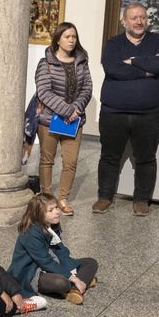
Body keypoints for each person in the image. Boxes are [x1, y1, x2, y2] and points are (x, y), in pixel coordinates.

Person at [94, 2, 159, 216]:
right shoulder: (113, 44)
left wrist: (132, 61)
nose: (139, 21)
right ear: (124, 21)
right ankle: (104, 196)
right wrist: (145, 70)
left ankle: (141, 200)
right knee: (109, 157)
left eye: (142, 17)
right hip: (113, 113)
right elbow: (112, 68)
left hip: (148, 115)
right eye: (134, 18)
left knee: (146, 158)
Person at [34, 22, 93, 216]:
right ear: (58, 39)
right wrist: (67, 110)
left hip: (74, 120)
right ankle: (46, 199)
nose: (71, 40)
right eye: (67, 36)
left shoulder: (82, 61)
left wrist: (76, 109)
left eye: (74, 37)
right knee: (46, 160)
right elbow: (44, 92)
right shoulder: (46, 63)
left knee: (71, 161)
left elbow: (87, 88)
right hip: (51, 119)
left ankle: (63, 199)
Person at [9, 193, 96, 306]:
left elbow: (60, 251)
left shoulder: (52, 225)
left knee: (91, 263)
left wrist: (72, 271)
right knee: (62, 283)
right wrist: (74, 278)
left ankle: (74, 289)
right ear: (38, 214)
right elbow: (45, 262)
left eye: (56, 207)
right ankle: (79, 284)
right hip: (34, 272)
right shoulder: (31, 233)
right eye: (51, 210)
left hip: (52, 264)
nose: (57, 211)